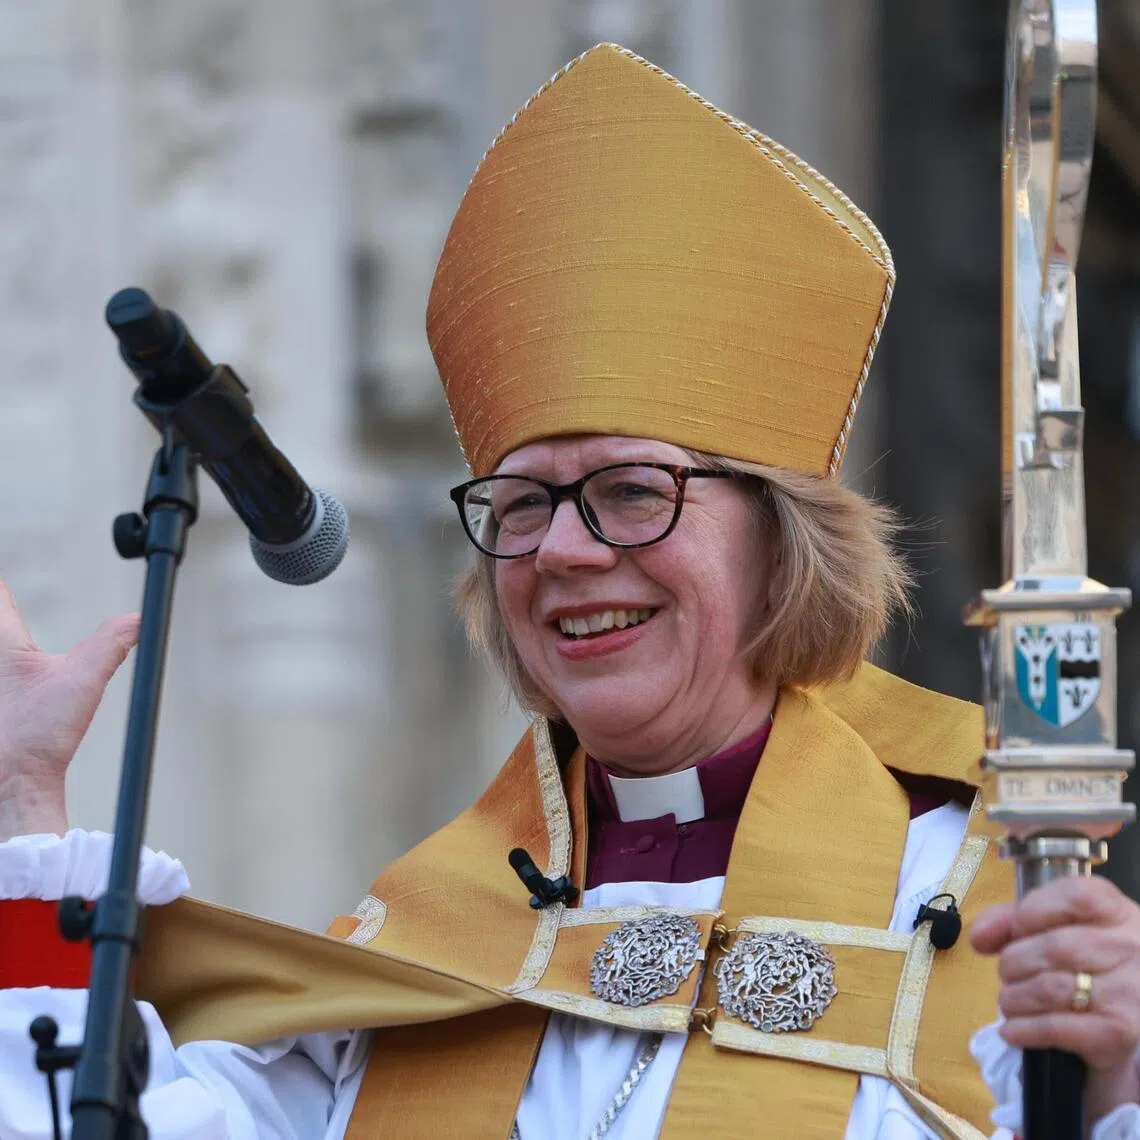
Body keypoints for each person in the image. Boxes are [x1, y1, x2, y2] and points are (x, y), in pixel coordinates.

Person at [1, 41, 1140, 1140]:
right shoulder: (415, 955)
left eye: (632, 492)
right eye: (521, 505)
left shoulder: (984, 901)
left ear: (782, 536)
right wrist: (22, 804)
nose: (562, 552)